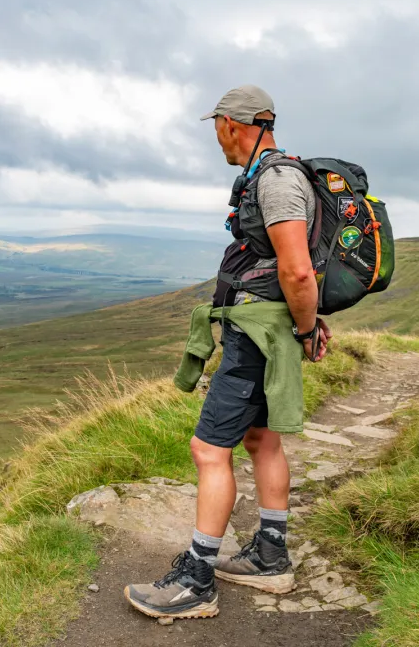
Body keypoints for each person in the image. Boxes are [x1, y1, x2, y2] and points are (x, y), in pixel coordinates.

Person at [125, 85, 331, 620]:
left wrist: (306, 331)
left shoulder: (278, 181)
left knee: (209, 449)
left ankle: (196, 579)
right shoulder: (272, 175)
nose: (216, 137)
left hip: (256, 338)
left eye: (216, 126)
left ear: (232, 125)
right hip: (266, 329)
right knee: (261, 439)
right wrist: (303, 326)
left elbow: (297, 269)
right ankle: (270, 555)